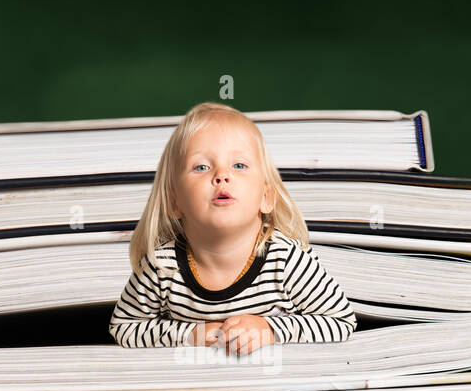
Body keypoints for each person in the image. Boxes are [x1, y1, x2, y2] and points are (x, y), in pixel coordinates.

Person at [109, 102, 356, 353]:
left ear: (266, 197)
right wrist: (191, 334)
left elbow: (342, 321)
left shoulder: (286, 260)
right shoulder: (162, 267)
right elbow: (123, 327)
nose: (222, 175)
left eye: (239, 165)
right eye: (201, 167)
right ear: (175, 202)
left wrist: (270, 329)